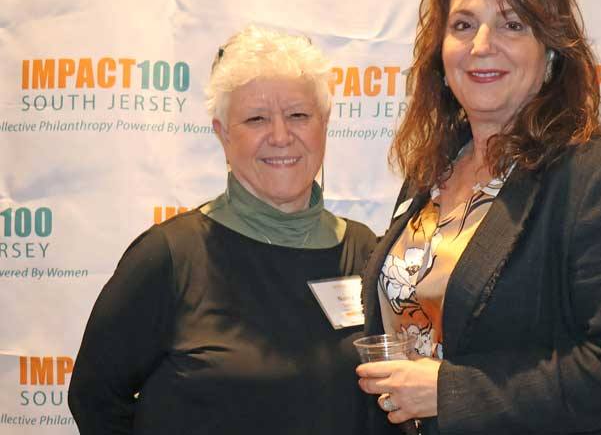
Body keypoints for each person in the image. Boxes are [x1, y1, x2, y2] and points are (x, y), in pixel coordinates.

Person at [356, 0, 601, 435]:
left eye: (512, 24)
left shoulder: (599, 177)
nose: (482, 45)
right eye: (463, 25)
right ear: (441, 52)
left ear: (550, 51)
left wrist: (451, 393)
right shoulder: (432, 173)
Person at [68, 26, 376, 434]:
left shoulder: (366, 251)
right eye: (256, 119)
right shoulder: (169, 257)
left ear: (324, 123)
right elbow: (95, 398)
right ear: (223, 134)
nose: (280, 136)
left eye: (298, 115)